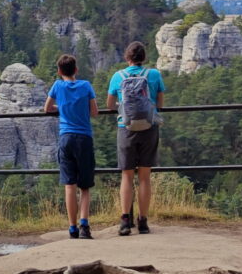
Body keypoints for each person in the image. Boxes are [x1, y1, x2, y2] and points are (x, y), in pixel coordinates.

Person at [106, 41, 165, 236]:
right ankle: (143, 221)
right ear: (144, 57)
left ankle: (124, 221)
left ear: (127, 57)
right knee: (145, 177)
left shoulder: (118, 76)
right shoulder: (154, 74)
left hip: (126, 128)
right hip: (149, 127)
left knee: (127, 175)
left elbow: (110, 104)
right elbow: (160, 103)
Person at [44, 54, 99, 239]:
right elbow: (94, 112)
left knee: (69, 185)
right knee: (85, 186)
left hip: (66, 138)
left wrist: (62, 109)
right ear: (76, 70)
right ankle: (85, 226)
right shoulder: (86, 86)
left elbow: (47, 108)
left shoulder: (57, 86)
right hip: (84, 138)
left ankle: (72, 228)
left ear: (59, 72)